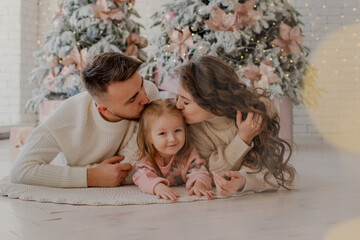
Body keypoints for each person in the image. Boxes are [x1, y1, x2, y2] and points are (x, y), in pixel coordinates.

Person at [9, 52, 159, 188]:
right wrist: (91, 176)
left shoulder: (149, 93)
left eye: (141, 85)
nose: (145, 99)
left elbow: (135, 167)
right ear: (104, 109)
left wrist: (94, 172)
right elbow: (21, 170)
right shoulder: (68, 116)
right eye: (132, 99)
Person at [175, 55, 296, 196]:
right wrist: (243, 139)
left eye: (185, 102)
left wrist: (244, 180)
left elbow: (271, 171)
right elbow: (209, 172)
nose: (177, 105)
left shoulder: (259, 109)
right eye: (178, 97)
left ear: (211, 102)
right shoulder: (193, 128)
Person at [133, 99, 215, 201]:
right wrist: (158, 187)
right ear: (148, 138)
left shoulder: (188, 151)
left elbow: (199, 170)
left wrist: (199, 184)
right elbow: (142, 177)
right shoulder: (147, 157)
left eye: (177, 130)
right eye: (162, 133)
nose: (172, 139)